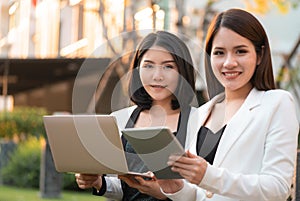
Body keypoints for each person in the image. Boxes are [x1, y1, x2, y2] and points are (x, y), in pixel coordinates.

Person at [158, 8, 299, 201]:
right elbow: (201, 195)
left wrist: (208, 176)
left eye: (240, 51)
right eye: (219, 53)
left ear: (259, 55)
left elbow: (277, 188)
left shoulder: (277, 103)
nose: (229, 63)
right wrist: (175, 187)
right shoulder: (201, 113)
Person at [75, 30, 200, 200]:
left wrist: (162, 193)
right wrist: (98, 182)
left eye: (168, 66)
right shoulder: (119, 119)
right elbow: (123, 188)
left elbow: (203, 193)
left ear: (182, 72)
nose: (157, 76)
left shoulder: (200, 121)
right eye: (148, 65)